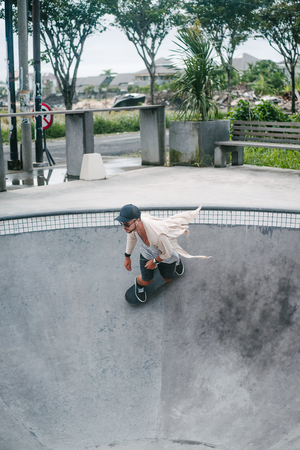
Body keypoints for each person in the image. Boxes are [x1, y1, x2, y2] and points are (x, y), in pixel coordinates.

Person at [115, 204, 210, 302]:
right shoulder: (132, 228)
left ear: (137, 220)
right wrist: (127, 255)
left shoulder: (157, 235)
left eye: (126, 224)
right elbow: (131, 236)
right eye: (121, 223)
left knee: (168, 278)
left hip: (165, 254)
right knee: (146, 281)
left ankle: (176, 259)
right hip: (146, 253)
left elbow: (167, 253)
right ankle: (139, 285)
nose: (123, 227)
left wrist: (154, 262)